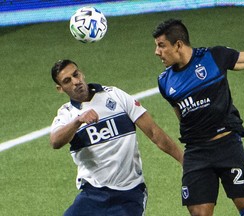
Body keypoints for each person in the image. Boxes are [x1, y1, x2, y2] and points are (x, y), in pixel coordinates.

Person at [152, 18, 244, 216]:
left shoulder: (213, 57)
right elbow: (181, 115)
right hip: (196, 153)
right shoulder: (165, 82)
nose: (157, 52)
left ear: (178, 44)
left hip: (228, 146)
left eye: (161, 46)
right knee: (199, 213)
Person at [49, 59, 183, 216]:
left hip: (129, 193)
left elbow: (154, 132)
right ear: (60, 88)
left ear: (81, 73)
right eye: (67, 81)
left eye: (76, 75)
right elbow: (55, 141)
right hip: (93, 194)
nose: (75, 82)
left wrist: (183, 160)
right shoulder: (67, 114)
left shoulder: (115, 95)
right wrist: (78, 121)